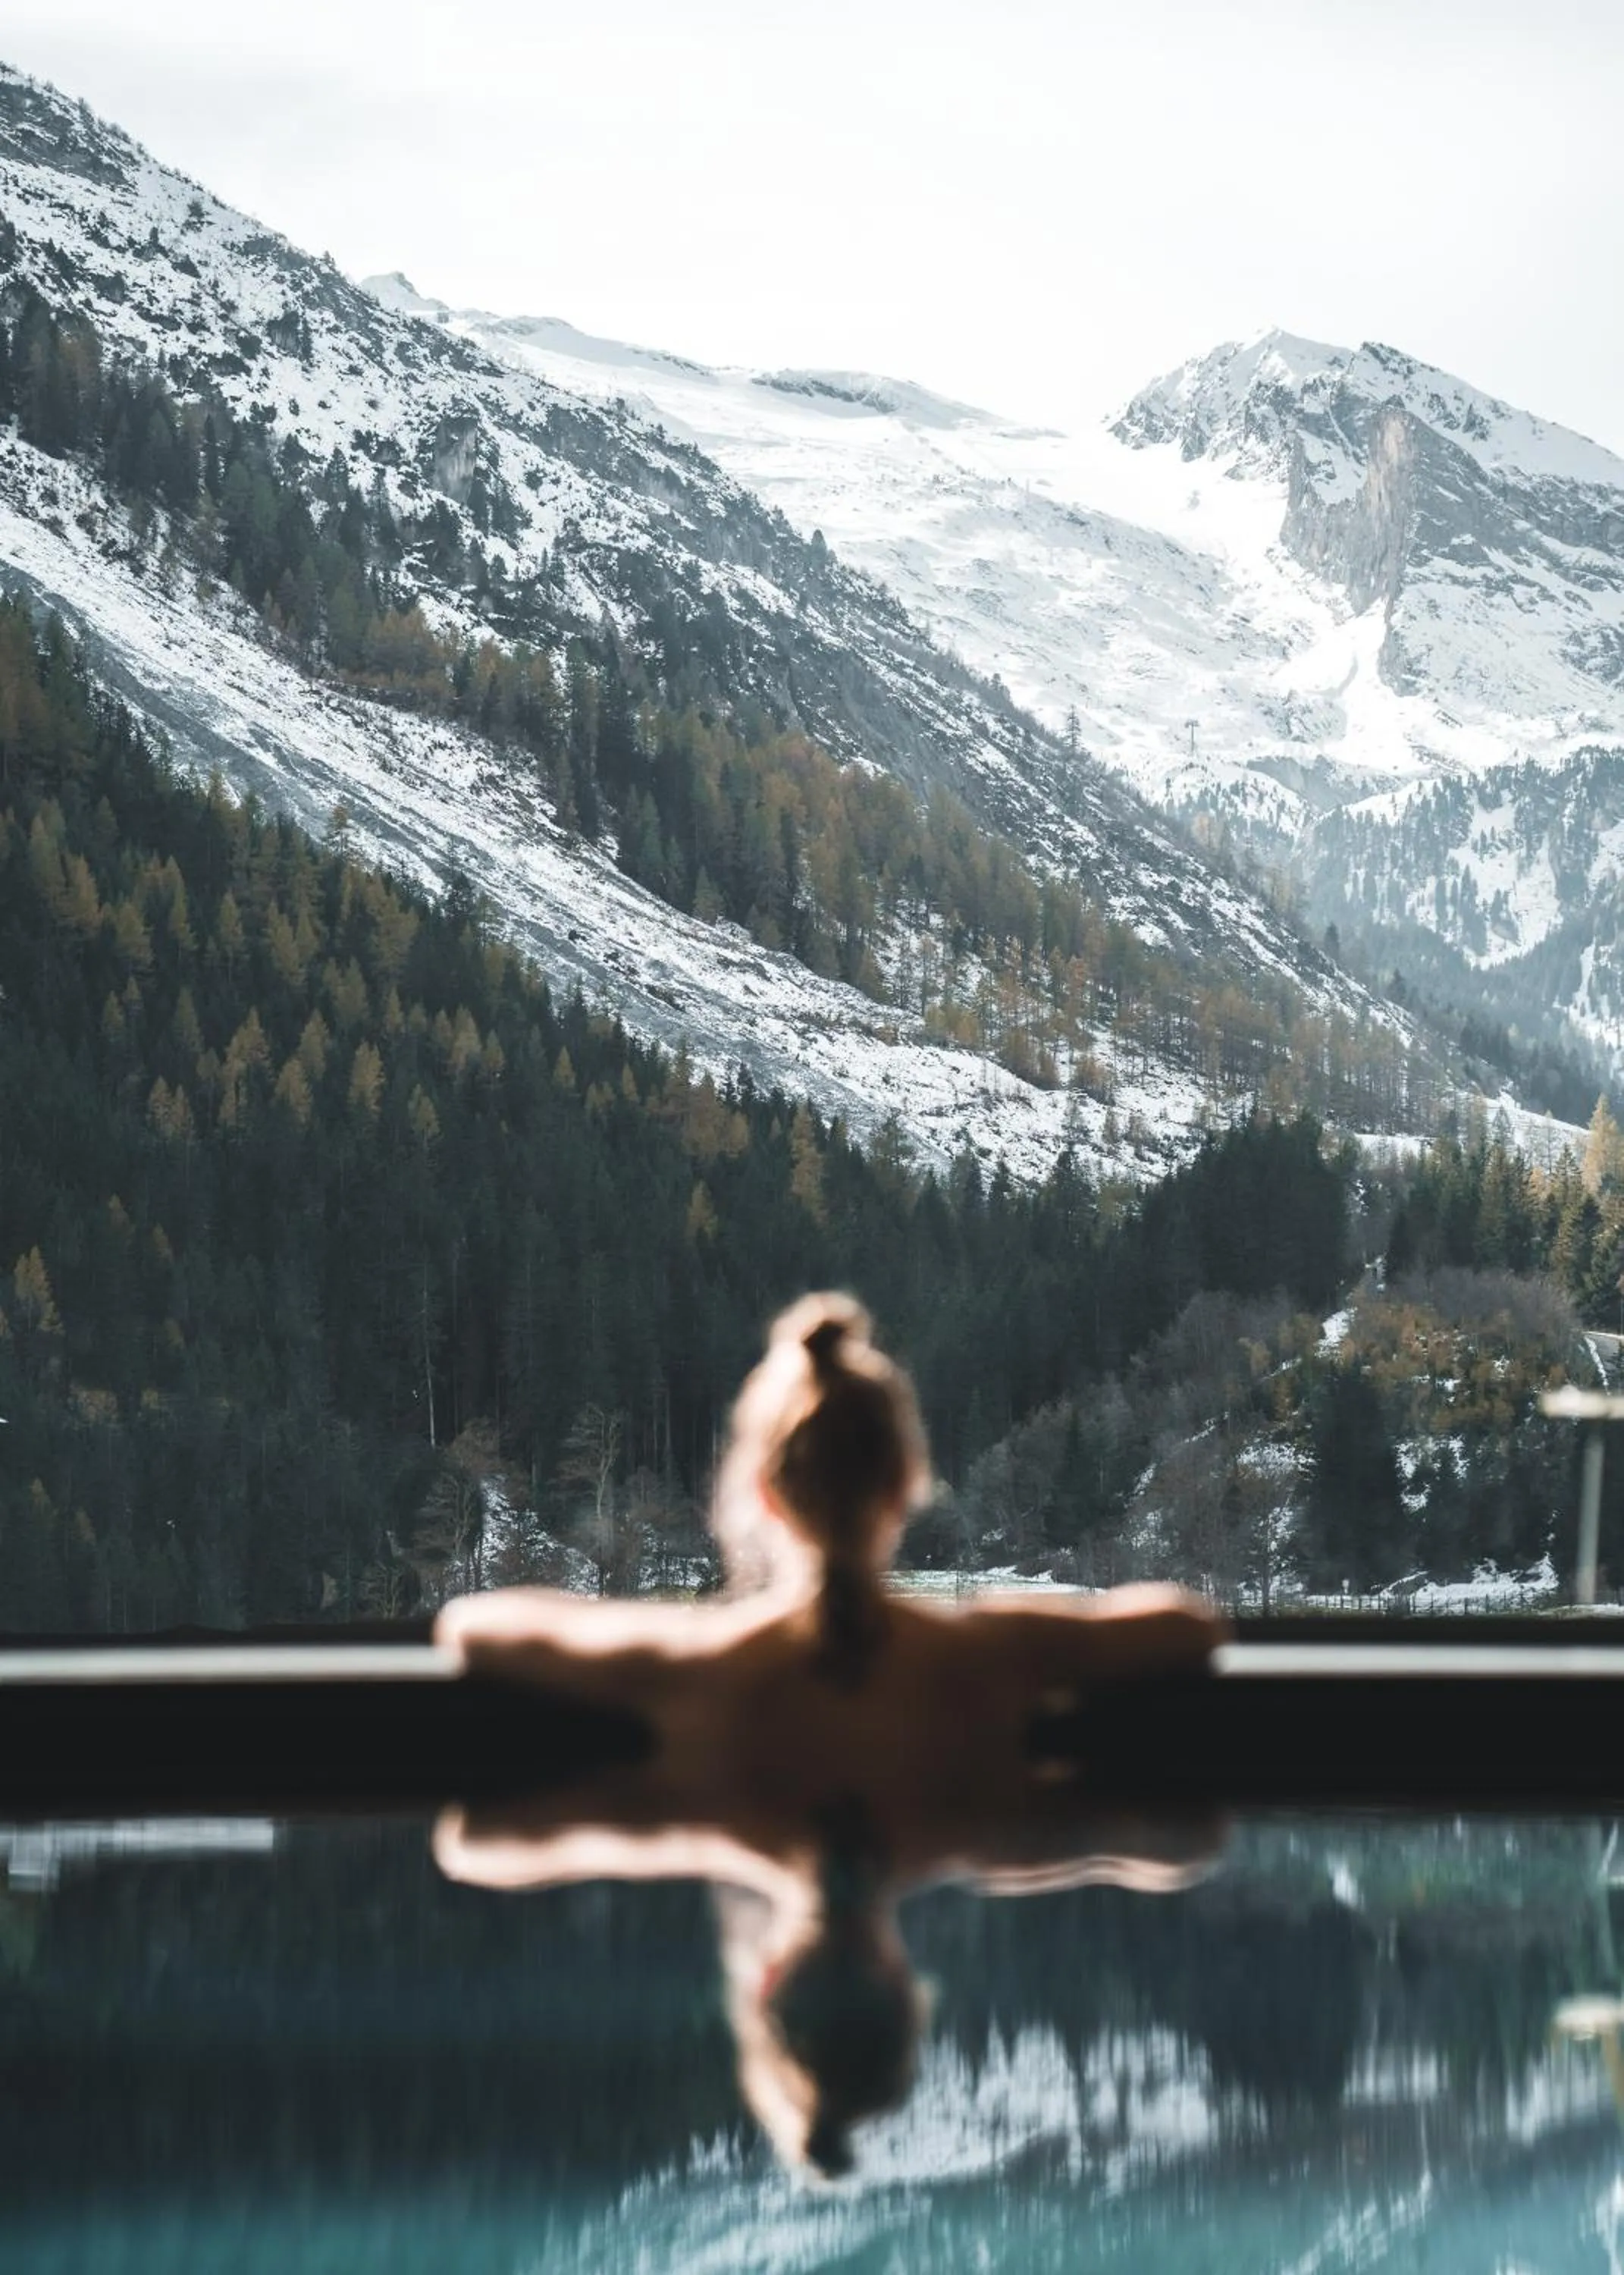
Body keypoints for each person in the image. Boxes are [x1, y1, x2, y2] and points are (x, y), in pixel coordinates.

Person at [434, 1293, 1222, 2174]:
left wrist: (654, 1826)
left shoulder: (698, 1668)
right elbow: (1185, 1641)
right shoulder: (988, 1663)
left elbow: (476, 1716)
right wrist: (1066, 1830)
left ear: (767, 1496)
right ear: (902, 1487)